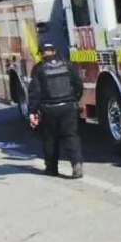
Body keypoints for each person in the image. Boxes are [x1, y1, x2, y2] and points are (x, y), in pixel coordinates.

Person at [28, 42, 84, 179]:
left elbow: (35, 92)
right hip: (68, 106)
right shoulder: (67, 65)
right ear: (54, 51)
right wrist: (74, 100)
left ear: (41, 54)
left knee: (50, 138)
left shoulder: (39, 69)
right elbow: (78, 85)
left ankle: (51, 168)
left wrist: (32, 112)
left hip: (48, 109)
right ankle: (77, 165)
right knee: (71, 136)